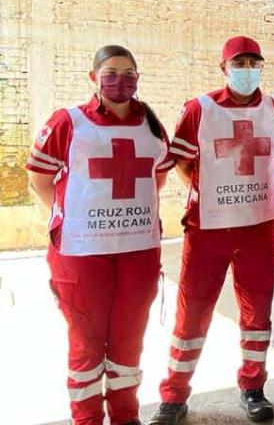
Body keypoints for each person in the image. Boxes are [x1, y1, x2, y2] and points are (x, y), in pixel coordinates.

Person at [149, 36, 274, 424]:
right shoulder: (200, 109)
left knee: (257, 316)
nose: (247, 69)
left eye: (254, 62)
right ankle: (174, 396)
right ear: (224, 68)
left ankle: (252, 387)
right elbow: (181, 162)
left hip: (259, 230)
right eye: (239, 63)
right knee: (191, 317)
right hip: (207, 230)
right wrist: (210, 197)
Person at [26, 45, 173, 425]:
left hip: (138, 254)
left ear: (138, 79)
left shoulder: (152, 126)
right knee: (86, 346)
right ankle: (87, 419)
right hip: (81, 255)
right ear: (93, 78)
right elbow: (39, 180)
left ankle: (126, 417)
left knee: (127, 344)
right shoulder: (68, 122)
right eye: (110, 72)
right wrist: (75, 218)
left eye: (128, 73)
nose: (120, 80)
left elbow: (156, 178)